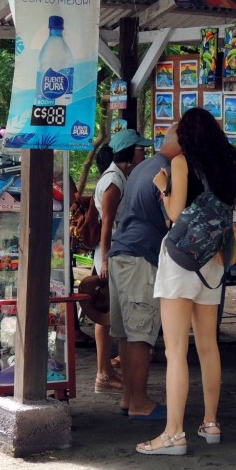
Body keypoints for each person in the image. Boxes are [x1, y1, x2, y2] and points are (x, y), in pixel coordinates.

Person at [137, 108, 236, 456]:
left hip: (181, 261)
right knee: (209, 346)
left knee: (176, 351)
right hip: (212, 262)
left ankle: (173, 434)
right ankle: (210, 423)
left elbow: (174, 214)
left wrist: (164, 188)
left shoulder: (182, 163)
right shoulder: (226, 169)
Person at [107, 124, 181, 421]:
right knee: (139, 335)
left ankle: (129, 398)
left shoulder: (143, 166)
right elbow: (171, 219)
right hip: (140, 257)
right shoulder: (167, 171)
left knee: (126, 334)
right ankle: (139, 402)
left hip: (121, 254)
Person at [92, 129, 148, 394]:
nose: (144, 154)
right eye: (141, 150)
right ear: (130, 152)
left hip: (111, 251)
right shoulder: (115, 181)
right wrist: (105, 261)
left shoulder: (118, 176)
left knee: (106, 315)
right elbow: (106, 226)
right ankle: (104, 372)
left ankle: (108, 370)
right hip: (111, 252)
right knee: (105, 316)